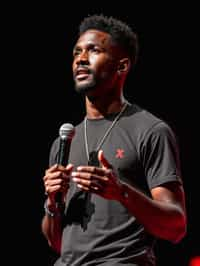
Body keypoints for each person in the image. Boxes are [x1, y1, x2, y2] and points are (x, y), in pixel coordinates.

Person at [41, 14, 187, 266]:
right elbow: (57, 243)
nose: (81, 59)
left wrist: (120, 192)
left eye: (93, 50)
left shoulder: (150, 130)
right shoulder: (65, 141)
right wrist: (52, 203)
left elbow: (176, 227)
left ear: (122, 66)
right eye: (77, 52)